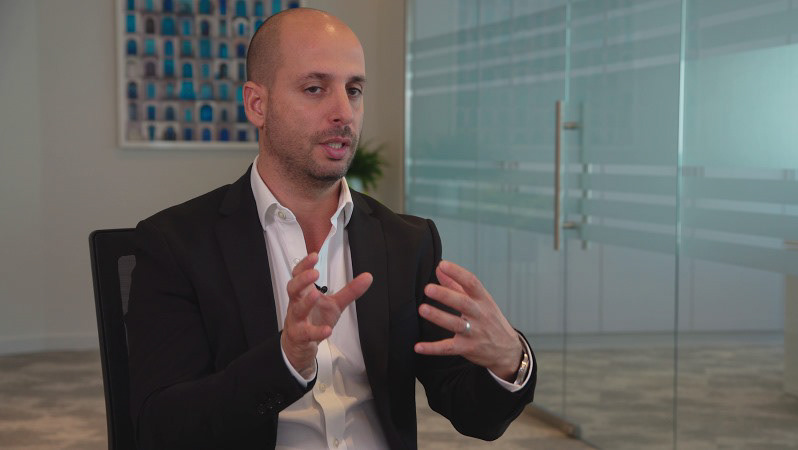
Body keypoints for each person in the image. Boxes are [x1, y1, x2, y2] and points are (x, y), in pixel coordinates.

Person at [125, 8, 536, 450]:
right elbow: (162, 428)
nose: (344, 112)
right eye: (315, 88)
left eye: (353, 90)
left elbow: (475, 416)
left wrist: (509, 360)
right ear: (257, 104)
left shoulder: (406, 242)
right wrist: (286, 359)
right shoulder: (176, 245)